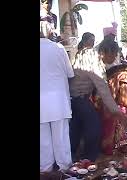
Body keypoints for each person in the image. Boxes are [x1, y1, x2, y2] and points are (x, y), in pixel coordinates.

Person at [69, 39, 127, 162]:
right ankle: (88, 159)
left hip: (73, 97)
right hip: (79, 97)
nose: (115, 58)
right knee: (94, 126)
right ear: (106, 52)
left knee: (76, 128)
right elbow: (104, 91)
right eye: (114, 55)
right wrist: (118, 112)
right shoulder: (95, 63)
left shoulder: (87, 52)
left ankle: (73, 158)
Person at [40, 21, 73, 172]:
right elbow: (70, 74)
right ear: (49, 32)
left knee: (43, 142)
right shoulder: (58, 48)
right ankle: (64, 170)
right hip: (58, 101)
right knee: (61, 140)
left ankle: (45, 170)